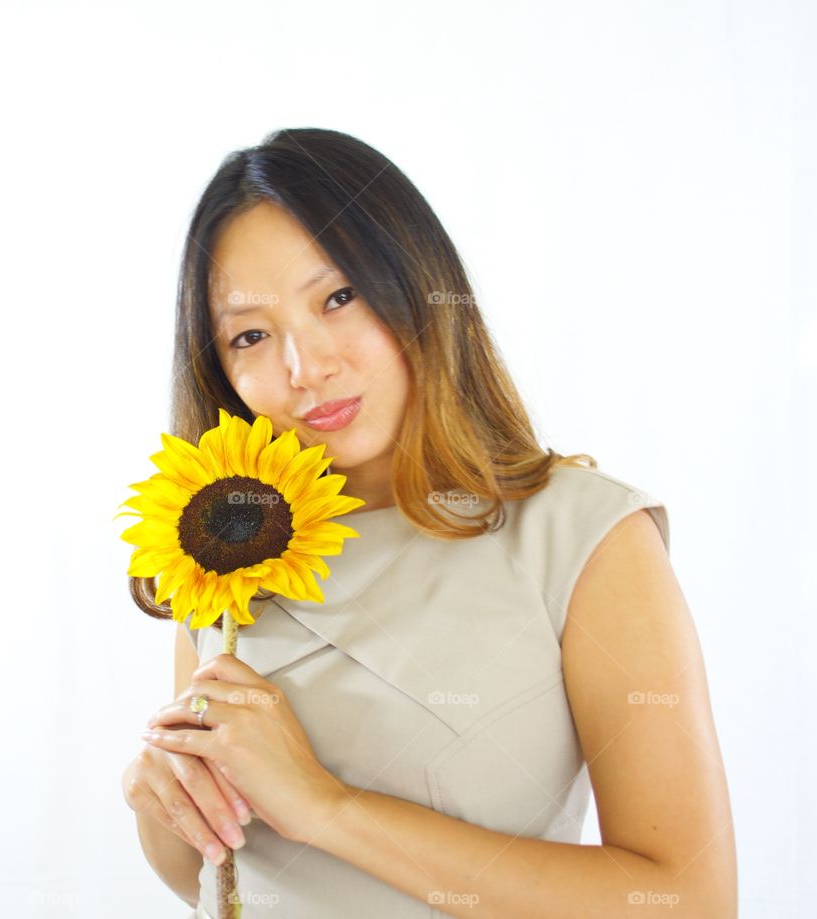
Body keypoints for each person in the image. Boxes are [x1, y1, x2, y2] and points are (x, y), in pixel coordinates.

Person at [120, 127, 737, 918]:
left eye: (338, 296)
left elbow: (689, 899)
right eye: (251, 335)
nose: (306, 368)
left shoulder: (583, 536)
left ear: (418, 283)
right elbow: (224, 878)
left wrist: (327, 807)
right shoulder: (228, 552)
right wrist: (160, 799)